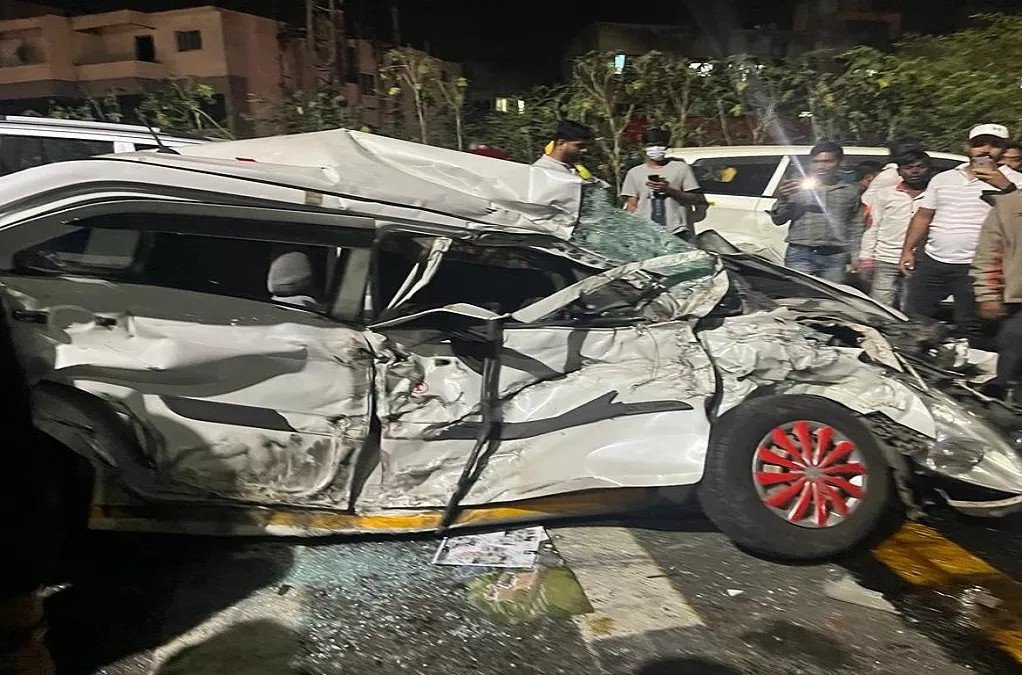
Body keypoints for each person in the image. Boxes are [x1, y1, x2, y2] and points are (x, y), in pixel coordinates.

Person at [899, 124, 1022, 342]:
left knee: (971, 325)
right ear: (967, 147)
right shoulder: (944, 178)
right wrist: (908, 250)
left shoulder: (1016, 181)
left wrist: (1006, 187)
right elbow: (924, 216)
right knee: (915, 315)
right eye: (979, 144)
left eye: (994, 144)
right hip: (934, 260)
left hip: (975, 266)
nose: (986, 149)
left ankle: (972, 360)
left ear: (1003, 150)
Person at [770, 141, 864, 282]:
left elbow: (856, 226)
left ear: (840, 163)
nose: (820, 166)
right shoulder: (797, 188)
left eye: (827, 161)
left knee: (830, 293)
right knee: (799, 291)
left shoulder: (849, 191)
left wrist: (856, 256)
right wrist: (783, 198)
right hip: (801, 253)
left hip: (835, 255)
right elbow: (778, 219)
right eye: (816, 162)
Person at [858, 150, 932, 307]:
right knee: (881, 305)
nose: (915, 171)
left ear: (929, 169)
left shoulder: (934, 195)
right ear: (899, 171)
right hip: (886, 257)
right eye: (909, 167)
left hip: (919, 259)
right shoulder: (885, 194)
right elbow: (873, 226)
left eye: (920, 166)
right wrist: (866, 257)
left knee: (911, 304)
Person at [972, 188, 1022, 402]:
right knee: (1012, 345)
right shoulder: (1009, 206)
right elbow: (989, 252)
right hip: (1018, 300)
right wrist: (987, 293)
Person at [620, 128, 707, 238]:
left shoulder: (681, 168)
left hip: (677, 231)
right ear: (644, 147)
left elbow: (696, 199)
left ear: (666, 147)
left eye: (660, 145)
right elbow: (632, 205)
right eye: (651, 145)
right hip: (646, 234)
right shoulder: (634, 173)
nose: (656, 148)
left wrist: (669, 190)